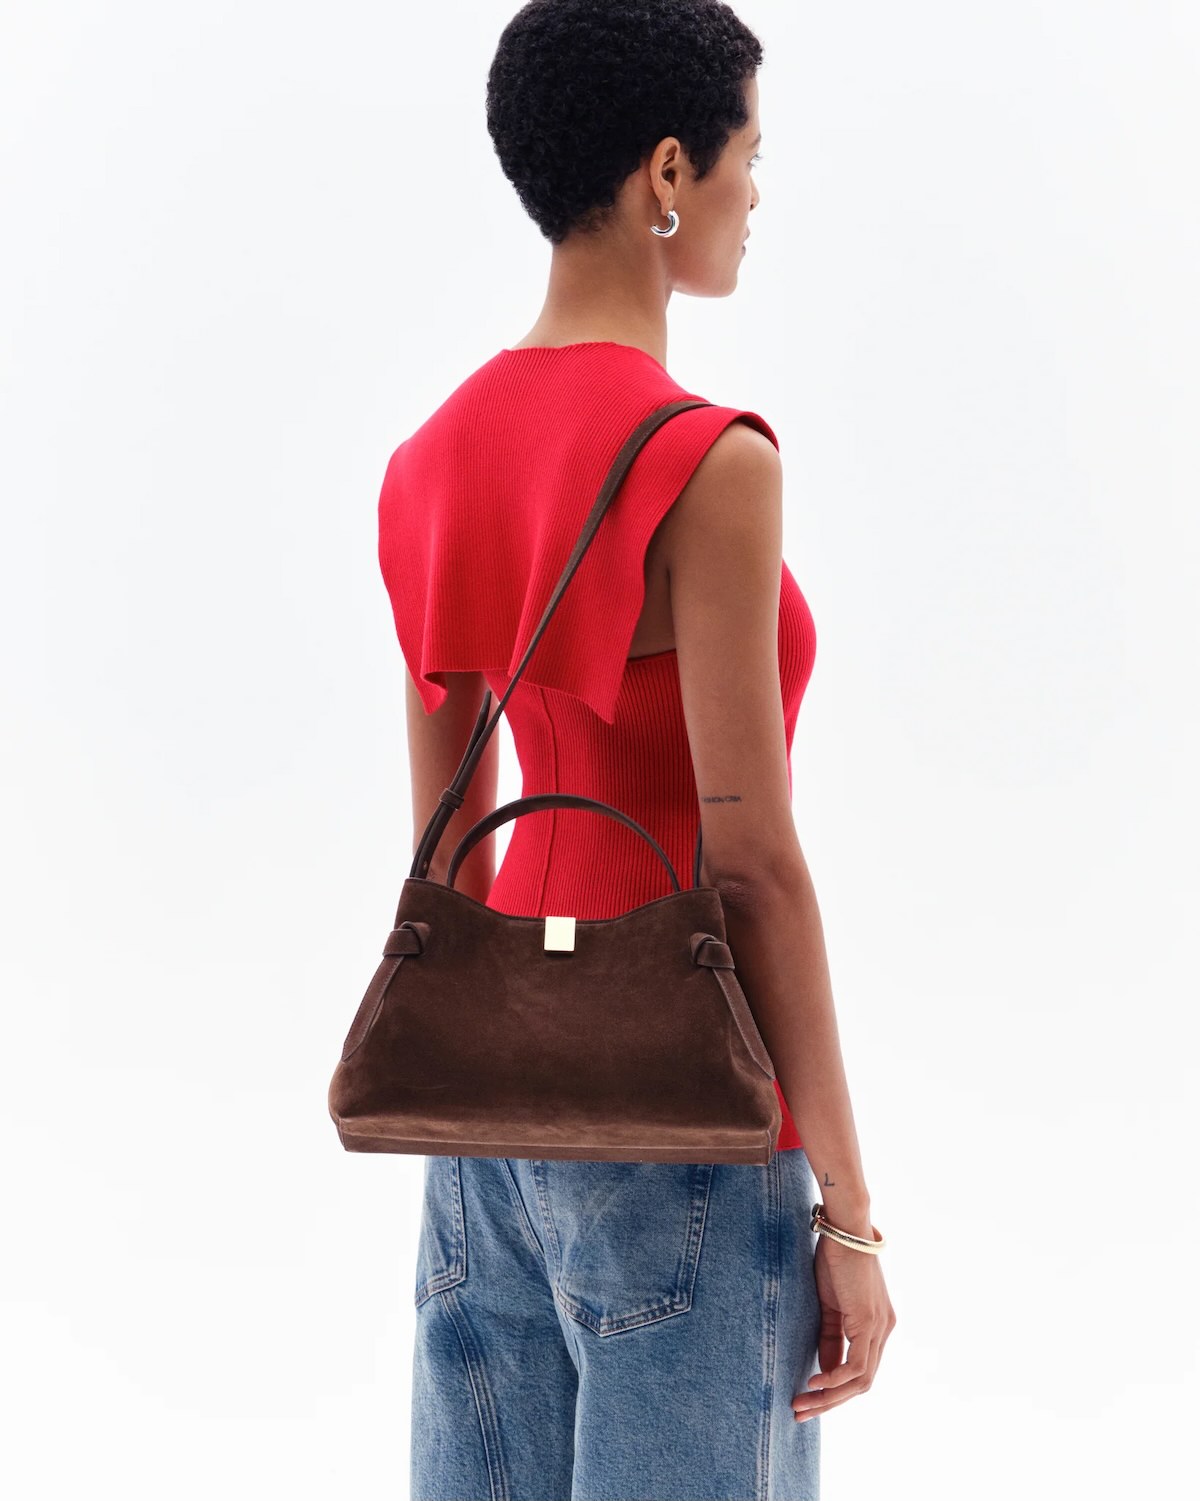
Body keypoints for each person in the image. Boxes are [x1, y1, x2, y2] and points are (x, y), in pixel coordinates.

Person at [378, 3, 896, 1496]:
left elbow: (444, 860)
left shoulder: (426, 461)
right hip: (687, 1114)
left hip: (484, 1128)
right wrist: (848, 1210)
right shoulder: (708, 463)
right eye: (748, 156)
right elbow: (754, 868)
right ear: (669, 171)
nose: (755, 193)